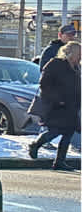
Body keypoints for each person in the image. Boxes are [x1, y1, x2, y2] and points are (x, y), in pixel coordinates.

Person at [28, 40, 81, 170]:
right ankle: (35, 144)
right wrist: (58, 99)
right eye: (79, 54)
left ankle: (59, 162)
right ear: (72, 53)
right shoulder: (56, 64)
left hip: (71, 105)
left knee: (68, 133)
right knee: (55, 130)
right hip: (57, 105)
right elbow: (44, 84)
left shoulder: (76, 67)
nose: (81, 57)